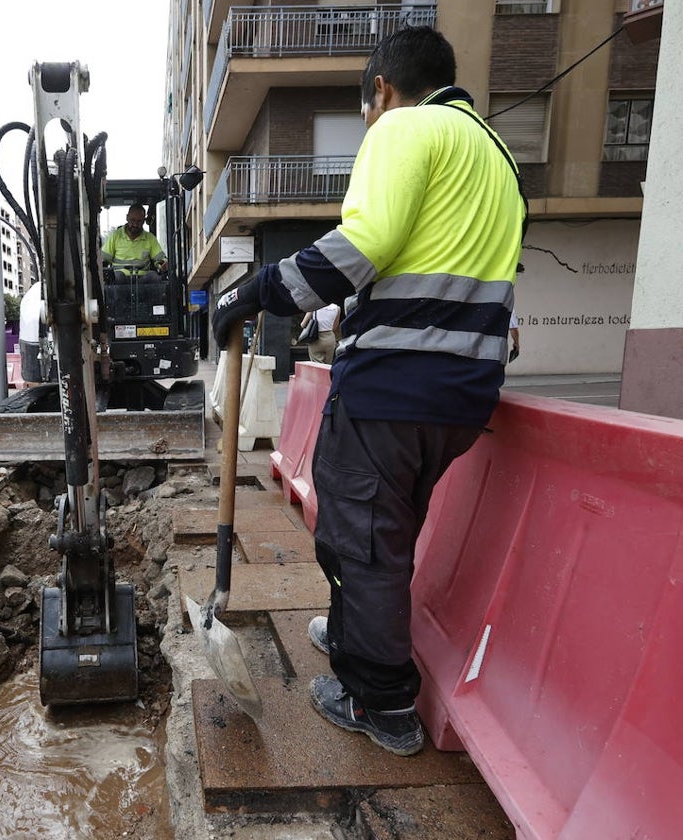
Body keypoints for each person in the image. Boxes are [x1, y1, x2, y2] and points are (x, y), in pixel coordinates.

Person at [211, 27, 524, 757]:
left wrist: (258, 292)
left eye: (364, 110)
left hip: (392, 387)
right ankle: (353, 638)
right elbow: (434, 266)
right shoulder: (495, 155)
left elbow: (368, 243)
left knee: (363, 542)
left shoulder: (404, 129)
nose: (367, 123)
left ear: (381, 89)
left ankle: (379, 702)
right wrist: (331, 316)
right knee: (383, 531)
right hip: (462, 395)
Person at [100, 204, 167, 278]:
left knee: (152, 276)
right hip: (119, 282)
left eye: (139, 221)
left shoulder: (150, 238)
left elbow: (160, 259)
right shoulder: (115, 236)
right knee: (118, 276)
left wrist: (163, 264)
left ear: (144, 221)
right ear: (127, 218)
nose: (135, 224)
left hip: (143, 281)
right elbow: (104, 259)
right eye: (132, 220)